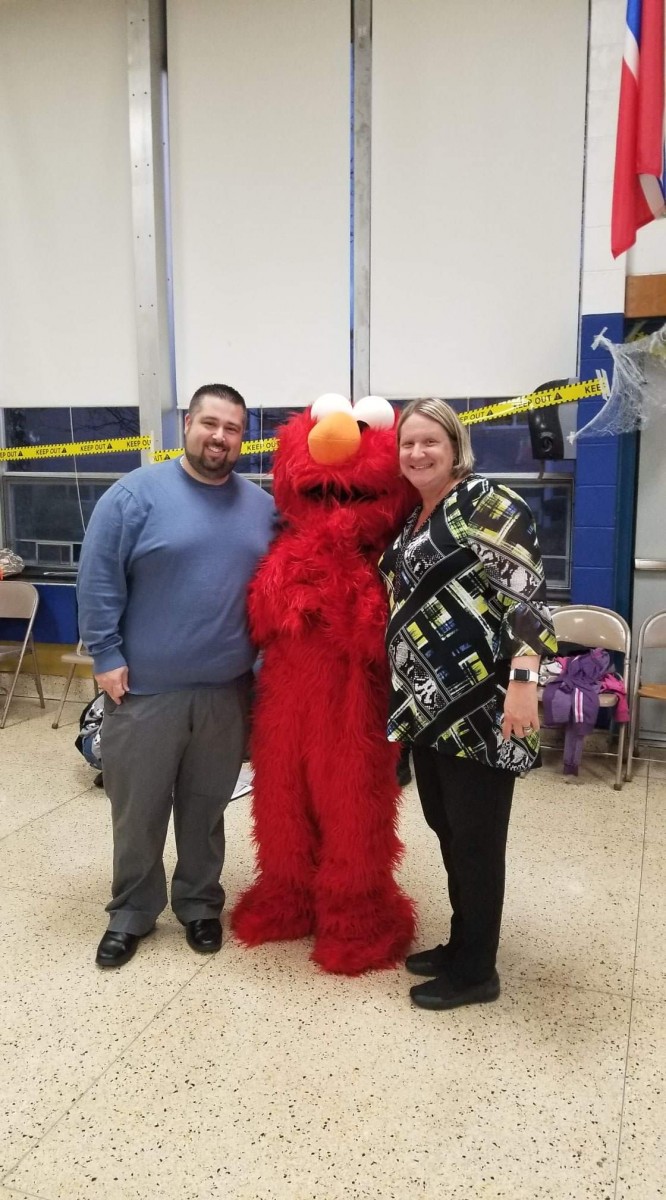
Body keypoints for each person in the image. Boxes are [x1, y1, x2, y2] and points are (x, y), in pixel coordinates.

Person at [77, 384, 276, 968]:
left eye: (232, 428)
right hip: (143, 691)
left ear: (243, 436)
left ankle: (198, 905)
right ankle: (132, 913)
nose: (219, 437)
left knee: (206, 807)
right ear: (186, 424)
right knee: (137, 809)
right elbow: (99, 578)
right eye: (209, 423)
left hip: (225, 691)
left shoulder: (261, 509)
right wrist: (107, 656)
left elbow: (273, 595)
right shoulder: (134, 495)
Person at [378, 398, 557, 1011]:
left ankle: (478, 971)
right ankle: (461, 944)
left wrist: (526, 680)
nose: (418, 453)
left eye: (431, 441)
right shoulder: (415, 517)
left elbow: (528, 595)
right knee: (447, 829)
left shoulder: (488, 502)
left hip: (485, 707)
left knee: (478, 840)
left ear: (455, 446)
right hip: (428, 710)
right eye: (408, 443)